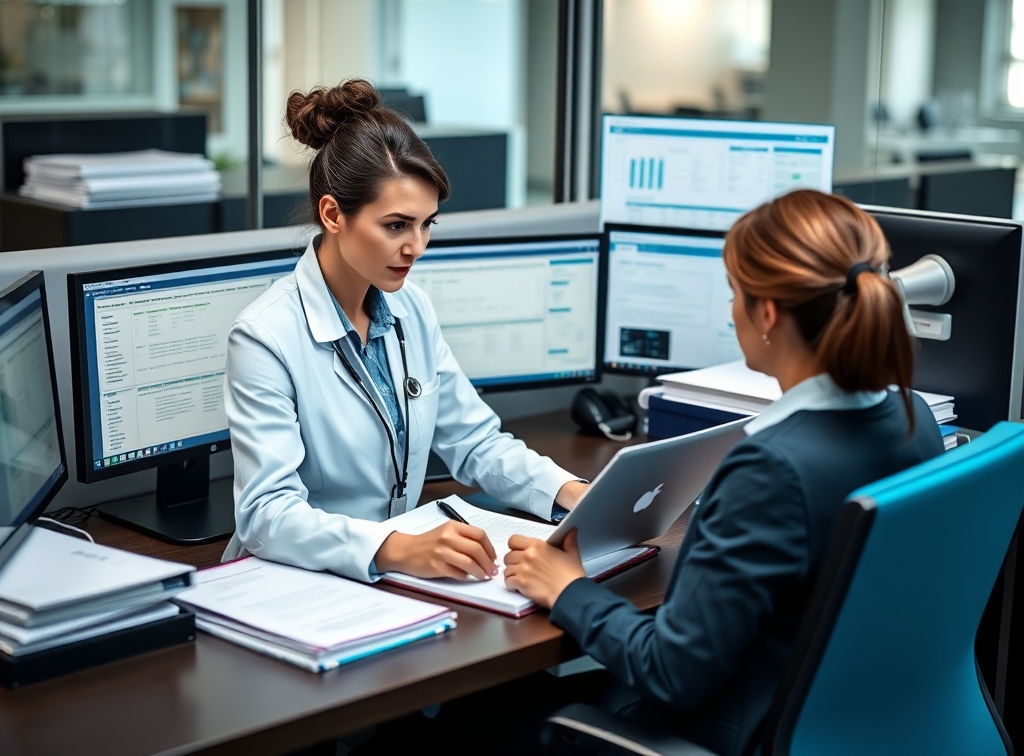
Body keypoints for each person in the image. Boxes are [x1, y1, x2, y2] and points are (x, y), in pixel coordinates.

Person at [503, 189, 945, 756]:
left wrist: (568, 589)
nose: (729, 310)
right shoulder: (913, 418)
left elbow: (671, 672)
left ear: (766, 314)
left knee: (456, 730)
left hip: (741, 730)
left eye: (735, 293)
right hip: (861, 721)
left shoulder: (772, 468)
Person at [221, 78, 588, 583]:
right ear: (332, 214)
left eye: (427, 224)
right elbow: (267, 514)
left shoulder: (410, 309)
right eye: (396, 226)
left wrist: (572, 493)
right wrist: (394, 548)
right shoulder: (266, 336)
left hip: (394, 574)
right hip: (301, 579)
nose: (417, 247)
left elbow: (476, 442)